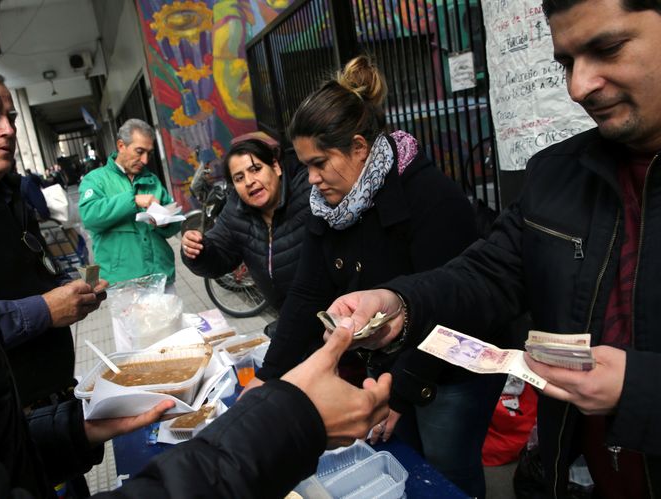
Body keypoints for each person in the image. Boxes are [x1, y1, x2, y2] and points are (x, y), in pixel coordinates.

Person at [0, 5, 390, 495]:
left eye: (259, 170)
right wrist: (283, 421)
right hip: (127, 291)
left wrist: (70, 429)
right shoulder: (92, 182)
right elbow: (134, 229)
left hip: (168, 294)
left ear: (278, 168)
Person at [326, 1, 661, 496]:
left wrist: (640, 390)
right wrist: (400, 304)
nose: (578, 86)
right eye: (566, 63)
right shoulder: (555, 174)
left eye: (607, 48)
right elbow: (488, 274)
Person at [243, 56, 504, 497]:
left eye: (320, 163)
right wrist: (270, 378)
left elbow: (453, 307)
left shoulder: (429, 196)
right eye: (304, 164)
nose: (311, 179)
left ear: (360, 147)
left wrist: (401, 395)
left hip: (453, 368)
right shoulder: (328, 207)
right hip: (392, 366)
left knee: (445, 473)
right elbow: (308, 292)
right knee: (405, 462)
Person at [0, 74, 106, 415]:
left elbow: (35, 264)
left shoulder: (12, 192)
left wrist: (67, 292)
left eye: (11, 117)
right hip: (7, 409)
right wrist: (44, 310)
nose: (8, 130)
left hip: (53, 390)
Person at [181, 137, 311, 311]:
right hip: (289, 318)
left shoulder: (308, 191)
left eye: (255, 169)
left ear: (275, 167)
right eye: (239, 178)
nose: (249, 182)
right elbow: (219, 257)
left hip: (336, 313)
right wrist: (197, 249)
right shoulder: (236, 209)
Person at [79, 119, 181, 288]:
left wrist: (163, 223)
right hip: (123, 284)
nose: (145, 160)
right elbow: (90, 216)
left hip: (161, 277)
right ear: (121, 146)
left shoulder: (152, 180)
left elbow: (173, 224)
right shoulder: (96, 180)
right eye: (139, 151)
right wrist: (132, 200)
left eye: (149, 153)